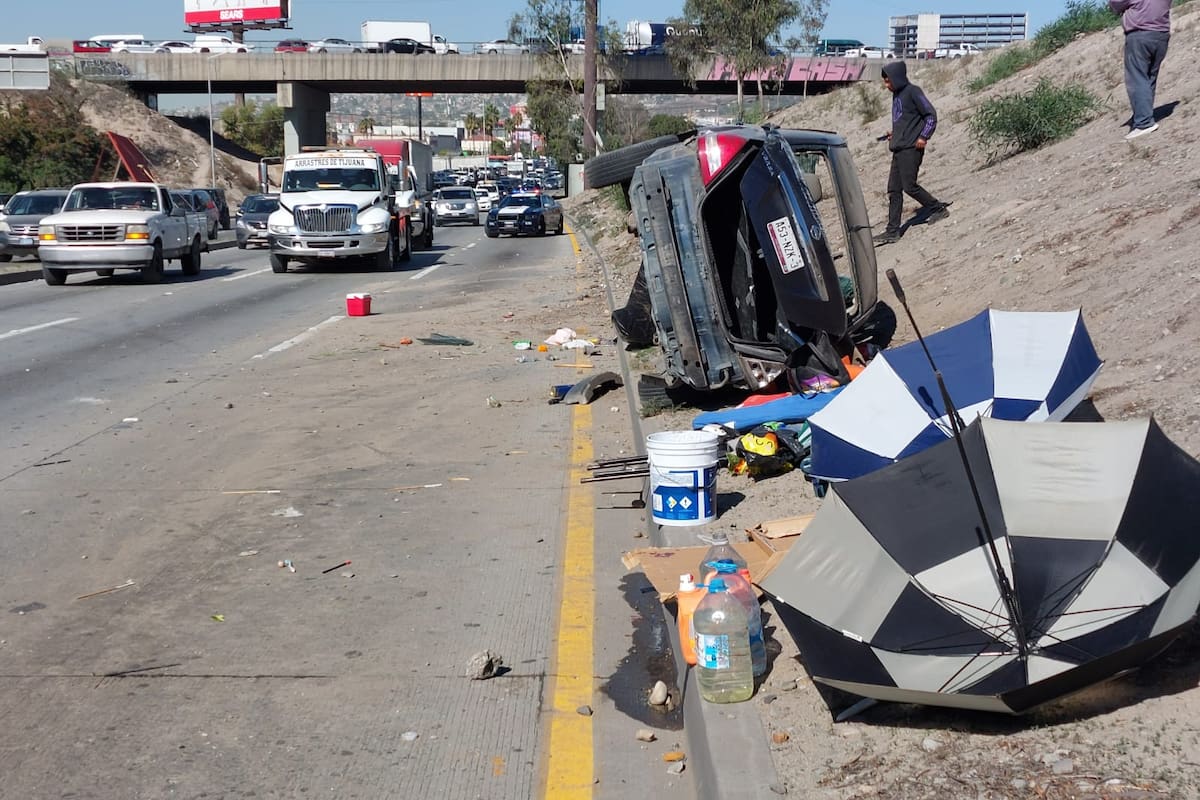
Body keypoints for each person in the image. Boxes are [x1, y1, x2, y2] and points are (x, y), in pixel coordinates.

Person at [874, 61, 949, 246]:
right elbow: (905, 120)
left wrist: (924, 137)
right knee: (893, 190)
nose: (886, 85)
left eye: (888, 81)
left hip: (911, 149)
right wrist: (895, 134)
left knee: (910, 186)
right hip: (899, 148)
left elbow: (930, 115)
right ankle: (892, 231)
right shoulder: (897, 95)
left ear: (897, 78)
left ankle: (937, 208)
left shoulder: (913, 91)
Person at [1109, 0, 1171, 140]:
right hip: (1162, 34)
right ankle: (1145, 114)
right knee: (1150, 77)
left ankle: (1143, 122)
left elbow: (1115, 4)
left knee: (1137, 78)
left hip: (1140, 34)